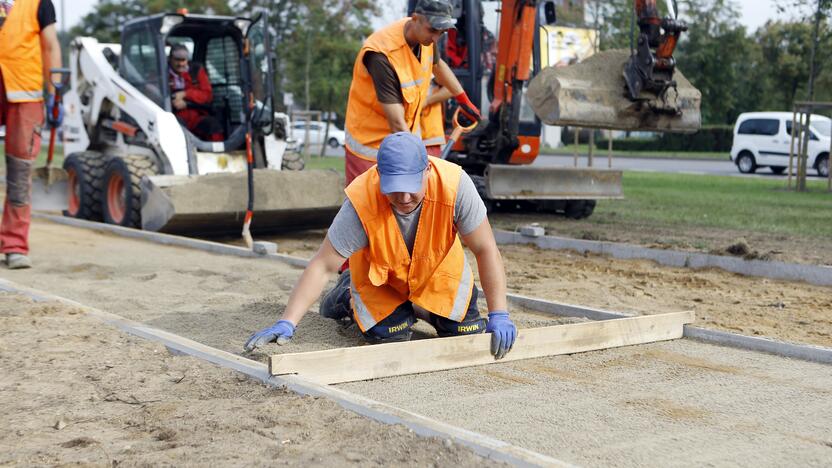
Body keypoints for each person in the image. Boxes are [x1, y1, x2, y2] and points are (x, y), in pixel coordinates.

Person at [245, 132, 517, 359]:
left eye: (412, 185)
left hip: (438, 277)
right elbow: (323, 264)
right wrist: (287, 321)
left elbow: (485, 249)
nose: (405, 196)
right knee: (390, 338)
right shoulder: (362, 198)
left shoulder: (456, 185)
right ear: (379, 175)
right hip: (383, 284)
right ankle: (346, 294)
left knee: (465, 334)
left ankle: (423, 309)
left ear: (427, 170)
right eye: (395, 187)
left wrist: (499, 313)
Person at [342, 0, 481, 186]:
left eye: (442, 33)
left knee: (403, 206)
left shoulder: (425, 38)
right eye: (433, 30)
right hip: (371, 146)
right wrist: (417, 162)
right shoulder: (381, 55)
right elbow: (397, 121)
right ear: (415, 18)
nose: (436, 39)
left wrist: (463, 99)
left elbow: (438, 65)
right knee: (367, 209)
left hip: (402, 139)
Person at [0, 0, 62, 269]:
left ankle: (14, 244)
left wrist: (55, 91)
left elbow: (50, 45)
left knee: (20, 169)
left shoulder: (39, 3)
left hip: (24, 91)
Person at [167, 44, 223, 142]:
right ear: (170, 59)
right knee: (175, 129)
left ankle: (218, 153)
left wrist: (185, 94)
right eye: (177, 60)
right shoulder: (162, 74)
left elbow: (207, 95)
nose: (180, 64)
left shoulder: (196, 71)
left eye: (183, 60)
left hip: (197, 117)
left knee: (213, 125)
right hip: (173, 117)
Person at [421, 80, 452, 156]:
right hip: (406, 136)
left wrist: (426, 101)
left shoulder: (431, 69)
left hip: (429, 137)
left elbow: (451, 88)